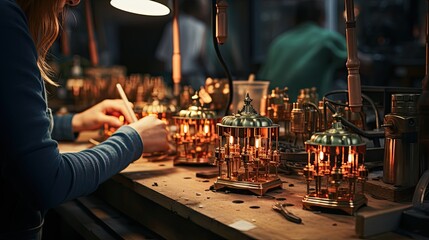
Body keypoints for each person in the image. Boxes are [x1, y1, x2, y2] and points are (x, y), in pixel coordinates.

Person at [0, 0, 170, 239]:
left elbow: (10, 130)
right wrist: (133, 140)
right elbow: (48, 180)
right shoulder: (5, 21)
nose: (74, 1)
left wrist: (74, 122)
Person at [257, 0, 348, 102]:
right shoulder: (327, 38)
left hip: (275, 109)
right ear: (322, 16)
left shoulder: (279, 42)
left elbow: (263, 79)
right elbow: (357, 63)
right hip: (311, 110)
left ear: (294, 19)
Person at [155, 0, 208, 91]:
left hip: (171, 75)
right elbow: (200, 56)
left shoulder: (171, 26)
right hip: (191, 76)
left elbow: (161, 56)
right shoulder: (200, 27)